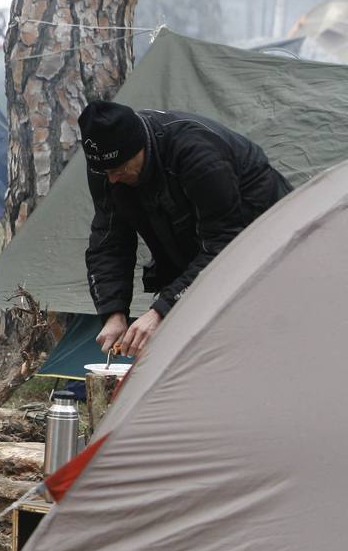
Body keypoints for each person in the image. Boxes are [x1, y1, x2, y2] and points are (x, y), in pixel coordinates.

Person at [81, 100, 292, 358]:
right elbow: (109, 241)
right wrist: (113, 312)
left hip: (268, 248)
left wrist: (162, 309)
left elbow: (224, 247)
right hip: (192, 249)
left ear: (140, 148)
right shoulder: (106, 168)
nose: (112, 178)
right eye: (104, 171)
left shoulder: (197, 153)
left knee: (260, 343)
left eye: (119, 168)